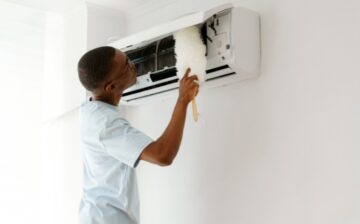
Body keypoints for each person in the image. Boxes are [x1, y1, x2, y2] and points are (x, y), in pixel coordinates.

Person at [77, 46, 199, 224]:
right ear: (111, 86)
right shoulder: (106, 125)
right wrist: (182, 100)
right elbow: (162, 155)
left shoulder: (90, 107)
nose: (133, 65)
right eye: (127, 66)